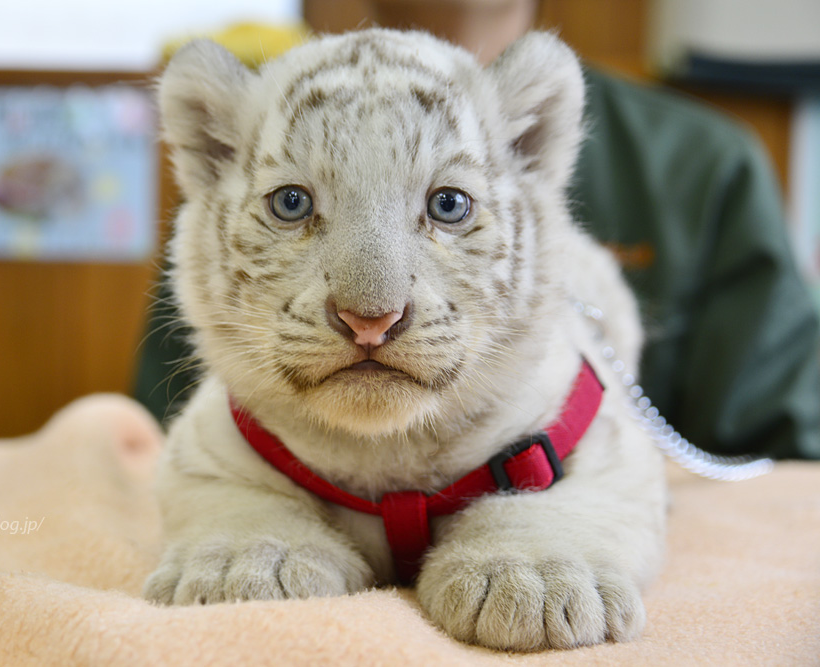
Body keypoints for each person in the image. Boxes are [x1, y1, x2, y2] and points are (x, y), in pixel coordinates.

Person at [135, 0, 820, 459]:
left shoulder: (703, 160)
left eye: (450, 203)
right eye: (291, 202)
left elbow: (789, 461)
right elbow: (171, 422)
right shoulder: (261, 131)